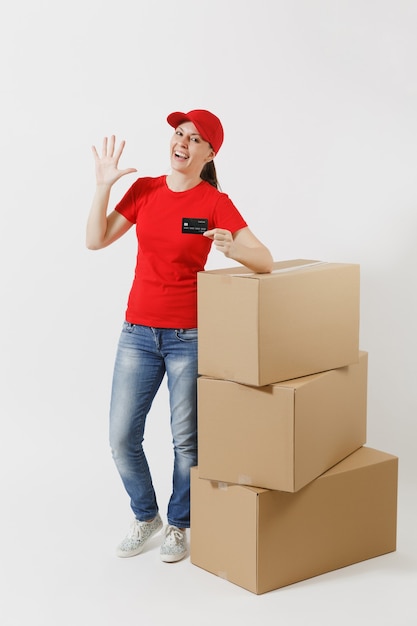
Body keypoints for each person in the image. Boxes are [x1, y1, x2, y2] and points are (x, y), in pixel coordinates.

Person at [86, 109, 273, 563]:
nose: (182, 143)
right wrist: (103, 186)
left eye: (194, 139)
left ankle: (179, 524)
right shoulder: (146, 190)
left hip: (189, 337)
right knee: (120, 437)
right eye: (178, 133)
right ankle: (145, 515)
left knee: (185, 440)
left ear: (209, 154)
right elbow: (96, 239)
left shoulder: (213, 201)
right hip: (137, 334)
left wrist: (236, 250)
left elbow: (265, 260)